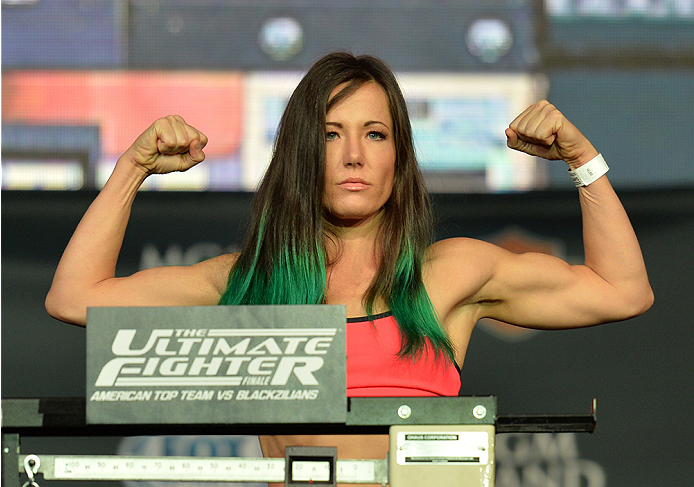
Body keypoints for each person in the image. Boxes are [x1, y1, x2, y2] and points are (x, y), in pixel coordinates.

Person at [45, 52, 653, 486]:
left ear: (400, 157)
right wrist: (132, 167)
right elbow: (74, 298)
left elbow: (621, 291)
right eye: (331, 134)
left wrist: (582, 157)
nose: (354, 155)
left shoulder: (452, 274)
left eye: (376, 134)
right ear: (302, 153)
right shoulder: (246, 284)